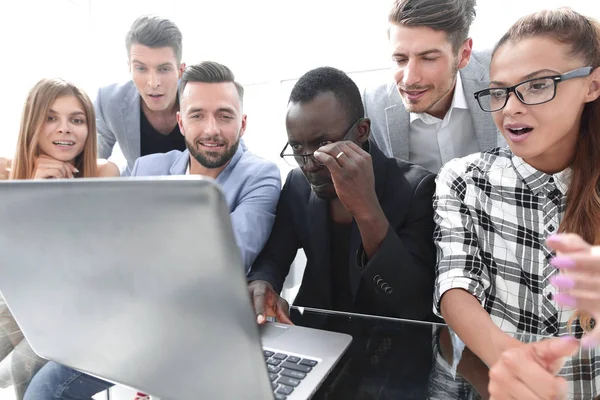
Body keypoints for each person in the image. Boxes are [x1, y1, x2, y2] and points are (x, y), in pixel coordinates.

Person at [24, 61, 281, 400]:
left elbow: (225, 259)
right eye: (197, 115)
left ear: (243, 123)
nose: (211, 129)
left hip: (206, 330)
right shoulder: (147, 167)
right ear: (180, 122)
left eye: (225, 116)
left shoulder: (260, 175)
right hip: (131, 325)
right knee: (44, 388)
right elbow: (104, 246)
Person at [432, 7, 600, 398]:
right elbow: (456, 283)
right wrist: (509, 359)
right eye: (498, 91)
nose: (510, 107)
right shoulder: (464, 179)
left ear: (592, 86)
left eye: (537, 85)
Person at [248, 66, 437, 324]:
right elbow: (273, 256)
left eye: (323, 144)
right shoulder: (297, 185)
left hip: (387, 350)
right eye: (296, 147)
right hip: (314, 339)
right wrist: (263, 283)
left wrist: (366, 208)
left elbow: (414, 303)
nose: (309, 163)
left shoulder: (417, 189)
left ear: (362, 131)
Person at [1, 78, 118, 399]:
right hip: (20, 302)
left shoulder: (103, 174)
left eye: (76, 120)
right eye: (51, 117)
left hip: (78, 310)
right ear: (32, 123)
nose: (65, 129)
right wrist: (28, 190)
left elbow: (91, 272)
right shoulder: (7, 173)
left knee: (24, 371)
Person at [362, 0, 503, 173]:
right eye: (400, 59)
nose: (409, 79)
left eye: (428, 58)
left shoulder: (501, 75)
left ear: (464, 54)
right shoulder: (371, 104)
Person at [95, 15, 186, 175]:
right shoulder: (109, 101)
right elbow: (86, 160)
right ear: (129, 67)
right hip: (136, 197)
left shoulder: (201, 98)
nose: (153, 82)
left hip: (195, 196)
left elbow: (236, 156)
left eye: (164, 69)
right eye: (141, 69)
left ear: (180, 70)